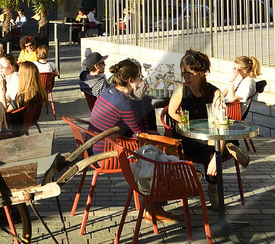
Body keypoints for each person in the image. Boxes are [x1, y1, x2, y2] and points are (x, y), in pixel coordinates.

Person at [165, 49, 224, 182]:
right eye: (183, 73)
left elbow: (220, 124)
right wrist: (185, 121)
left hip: (209, 134)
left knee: (212, 143)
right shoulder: (181, 89)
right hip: (188, 137)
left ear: (202, 72)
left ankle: (213, 183)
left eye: (190, 73)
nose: (186, 77)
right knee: (211, 146)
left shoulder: (215, 93)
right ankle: (213, 182)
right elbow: (171, 112)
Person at [89, 58, 154, 149]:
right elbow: (142, 135)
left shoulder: (109, 91)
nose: (142, 80)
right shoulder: (124, 105)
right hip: (107, 153)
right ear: (130, 80)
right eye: (139, 77)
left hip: (94, 145)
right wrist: (139, 100)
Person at [3, 61, 50, 132]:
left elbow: (5, 110)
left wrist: (2, 89)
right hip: (28, 123)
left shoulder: (23, 96)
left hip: (14, 127)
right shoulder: (41, 91)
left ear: (23, 76)